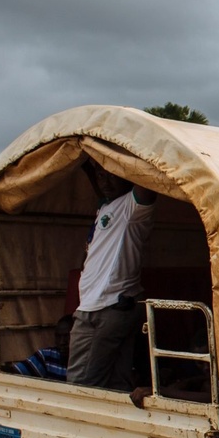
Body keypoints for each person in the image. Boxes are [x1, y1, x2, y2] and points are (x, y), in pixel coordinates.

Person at [68, 161, 157, 389]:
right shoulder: (107, 206)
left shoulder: (132, 208)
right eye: (100, 175)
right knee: (117, 381)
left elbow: (146, 178)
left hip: (105, 308)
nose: (105, 182)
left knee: (81, 383)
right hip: (105, 305)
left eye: (112, 174)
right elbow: (102, 185)